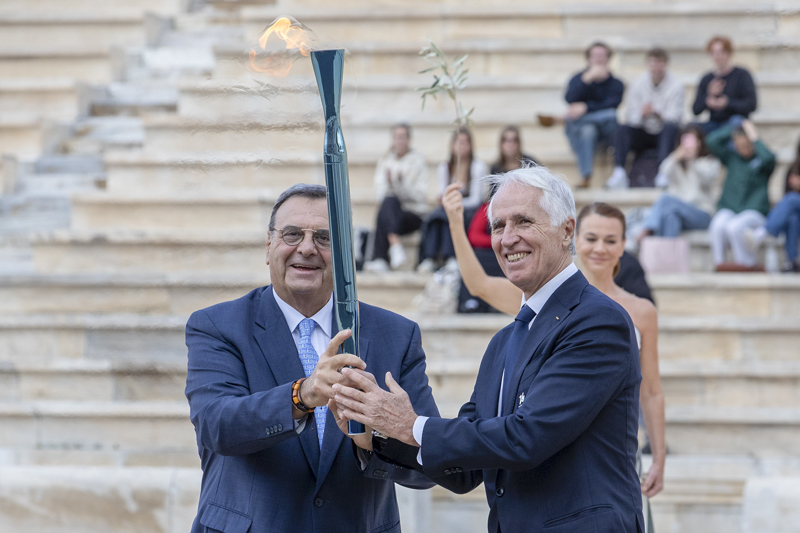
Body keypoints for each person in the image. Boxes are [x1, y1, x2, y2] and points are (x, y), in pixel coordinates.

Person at [333, 165, 645, 532]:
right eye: (498, 226)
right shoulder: (503, 342)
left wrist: (411, 425)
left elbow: (528, 437)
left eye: (523, 221)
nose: (508, 238)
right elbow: (466, 470)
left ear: (566, 231)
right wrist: (375, 432)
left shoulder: (597, 320)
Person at [185, 184, 442, 533]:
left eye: (324, 238)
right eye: (292, 234)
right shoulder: (218, 325)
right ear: (269, 245)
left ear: (345, 252)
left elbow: (431, 463)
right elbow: (217, 426)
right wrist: (302, 395)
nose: (306, 248)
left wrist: (376, 438)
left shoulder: (396, 335)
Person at [607, 48, 684, 189]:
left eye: (660, 63)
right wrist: (642, 114)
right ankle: (619, 171)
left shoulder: (676, 85)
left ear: (665, 64)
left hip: (664, 133)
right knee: (621, 129)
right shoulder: (637, 84)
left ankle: (663, 172)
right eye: (653, 63)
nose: (656, 67)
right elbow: (630, 116)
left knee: (670, 128)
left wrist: (658, 114)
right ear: (648, 64)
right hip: (642, 131)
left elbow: (675, 117)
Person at [707, 120, 775, 270]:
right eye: (739, 145)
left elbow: (769, 158)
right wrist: (733, 128)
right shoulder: (732, 158)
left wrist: (754, 137)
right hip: (731, 209)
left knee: (735, 227)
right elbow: (711, 141)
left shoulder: (762, 162)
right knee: (717, 225)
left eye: (746, 145)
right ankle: (720, 265)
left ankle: (744, 265)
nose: (743, 149)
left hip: (754, 212)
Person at [418, 127, 487, 273]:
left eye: (465, 142)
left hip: (468, 211)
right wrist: (447, 202)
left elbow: (476, 200)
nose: (461, 146)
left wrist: (454, 203)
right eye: (458, 142)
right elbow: (442, 193)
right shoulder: (445, 167)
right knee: (438, 215)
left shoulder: (477, 167)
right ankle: (446, 257)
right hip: (449, 208)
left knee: (443, 214)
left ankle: (432, 257)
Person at [364, 123, 428, 272]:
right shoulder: (385, 160)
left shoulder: (418, 161)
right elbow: (379, 194)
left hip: (412, 214)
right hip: (392, 213)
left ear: (409, 139)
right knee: (388, 203)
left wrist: (400, 185)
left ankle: (381, 258)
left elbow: (420, 197)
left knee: (386, 208)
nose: (399, 141)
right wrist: (392, 184)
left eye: (402, 137)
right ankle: (395, 246)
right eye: (397, 137)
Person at [638, 125, 721, 239]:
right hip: (679, 212)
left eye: (692, 141)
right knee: (670, 216)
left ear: (699, 142)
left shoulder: (709, 163)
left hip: (702, 214)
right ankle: (667, 250)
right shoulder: (676, 164)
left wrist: (693, 160)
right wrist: (674, 157)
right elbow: (663, 173)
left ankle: (648, 228)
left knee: (665, 199)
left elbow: (706, 179)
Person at [564, 41, 624, 188]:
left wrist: (585, 108)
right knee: (588, 130)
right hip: (582, 133)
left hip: (606, 133)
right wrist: (587, 79)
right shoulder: (578, 79)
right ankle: (586, 177)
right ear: (588, 59)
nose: (598, 59)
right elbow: (569, 98)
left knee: (611, 116)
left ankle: (565, 119)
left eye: (602, 55)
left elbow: (612, 106)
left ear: (608, 59)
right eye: (595, 55)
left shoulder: (617, 84)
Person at [745, 154, 800, 272]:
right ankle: (792, 262)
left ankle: (763, 232)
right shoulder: (794, 167)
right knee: (793, 218)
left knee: (791, 199)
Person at [692, 36, 757, 134]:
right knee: (691, 127)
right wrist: (708, 98)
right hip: (714, 124)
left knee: (737, 122)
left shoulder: (742, 75)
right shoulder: (707, 79)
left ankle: (714, 140)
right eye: (714, 53)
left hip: (735, 125)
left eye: (721, 52)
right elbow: (695, 110)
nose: (718, 56)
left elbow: (751, 105)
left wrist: (727, 103)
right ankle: (714, 139)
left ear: (729, 53)